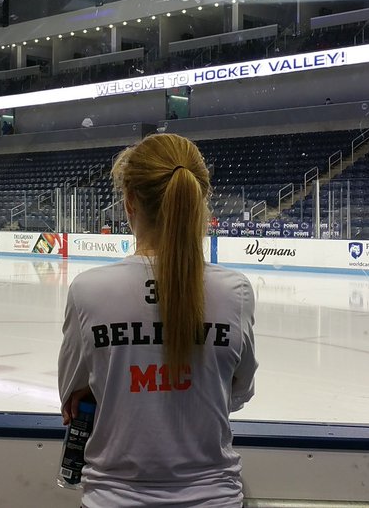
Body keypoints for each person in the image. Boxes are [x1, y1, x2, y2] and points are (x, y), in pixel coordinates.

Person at [58, 133, 257, 507]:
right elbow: (239, 392)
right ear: (199, 201)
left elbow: (72, 398)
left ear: (130, 202)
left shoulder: (89, 290)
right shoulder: (236, 292)